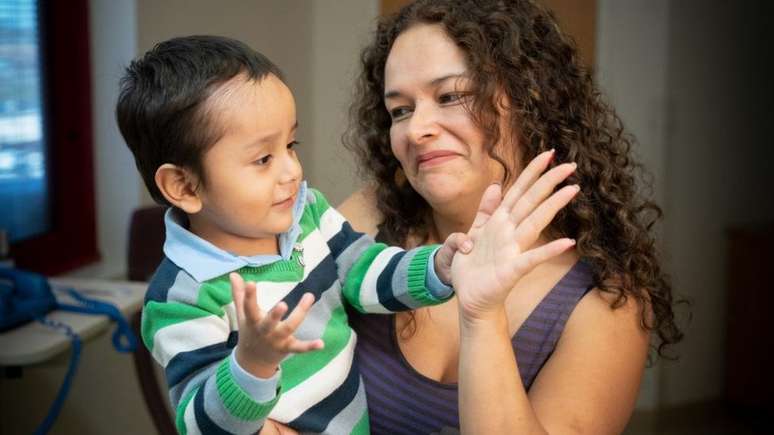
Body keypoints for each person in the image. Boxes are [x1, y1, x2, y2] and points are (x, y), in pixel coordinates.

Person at [116, 35, 578, 434]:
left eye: (290, 146)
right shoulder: (180, 298)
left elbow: (365, 271)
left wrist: (442, 265)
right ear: (184, 186)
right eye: (263, 160)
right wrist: (251, 364)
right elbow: (202, 425)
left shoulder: (307, 214)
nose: (292, 171)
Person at [336, 0, 683, 433]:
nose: (416, 129)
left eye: (450, 96)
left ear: (528, 100)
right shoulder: (367, 218)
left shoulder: (605, 302)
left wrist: (481, 318)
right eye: (400, 110)